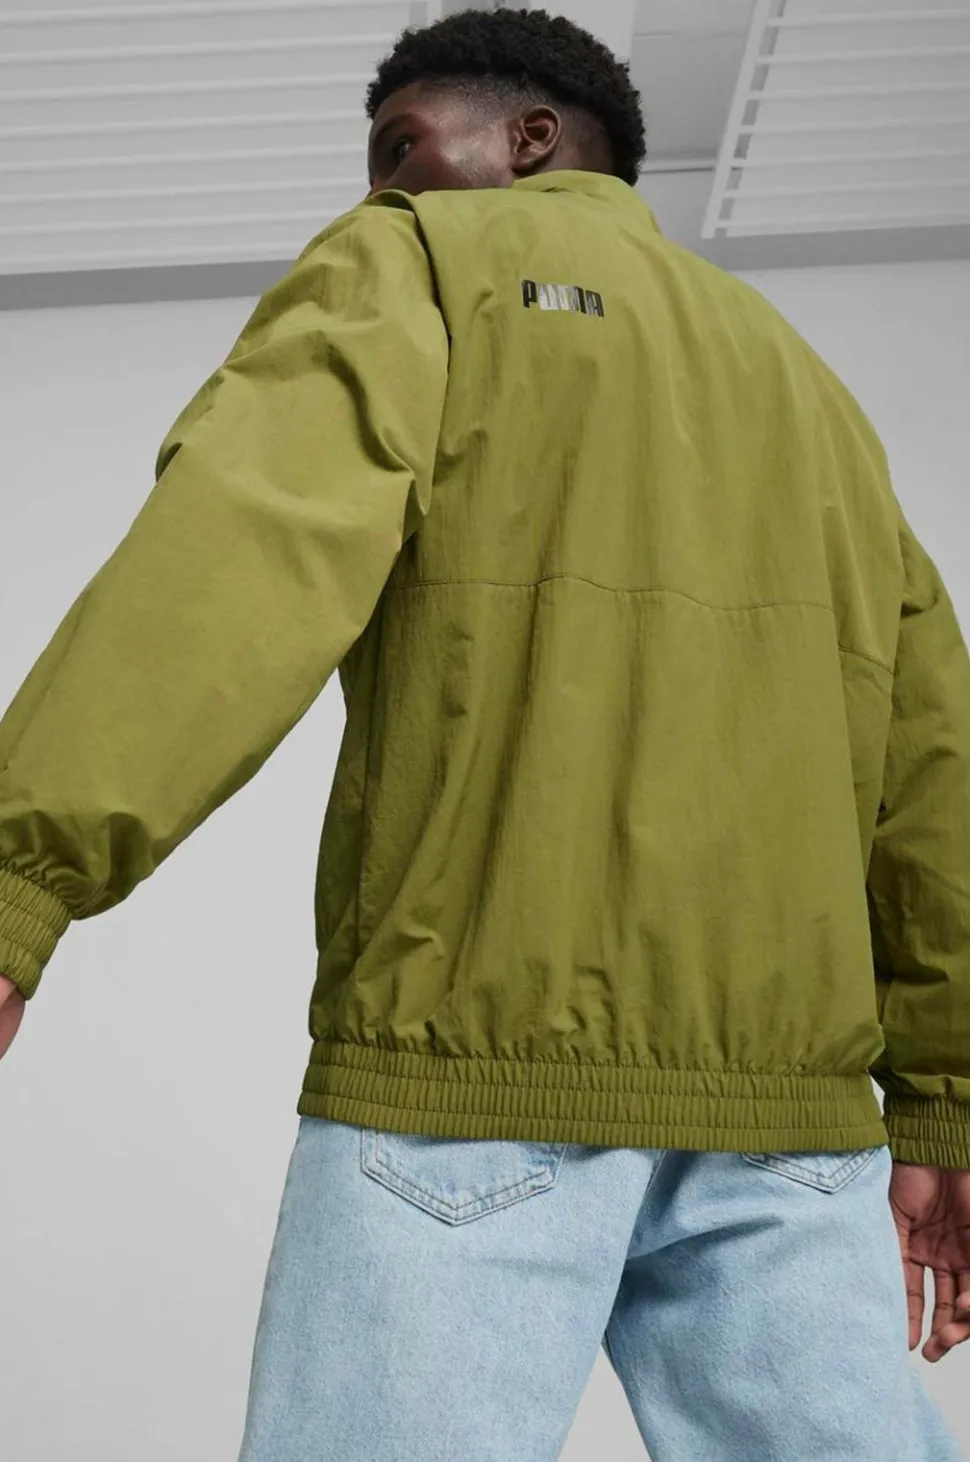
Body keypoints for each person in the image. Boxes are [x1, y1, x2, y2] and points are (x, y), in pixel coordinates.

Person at [1, 5, 969, 1458]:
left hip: (467, 1069)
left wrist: (19, 877)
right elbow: (932, 762)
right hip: (788, 1123)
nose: (379, 191)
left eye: (399, 150)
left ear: (528, 139)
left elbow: (234, 566)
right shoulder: (805, 385)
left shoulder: (415, 260)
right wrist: (948, 1101)